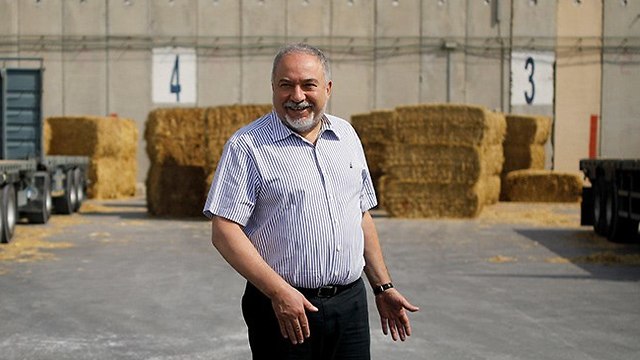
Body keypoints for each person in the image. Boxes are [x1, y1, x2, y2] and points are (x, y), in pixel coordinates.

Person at [203, 43, 418, 359]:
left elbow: (360, 216)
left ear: (328, 88)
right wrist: (279, 292)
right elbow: (224, 230)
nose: (297, 96)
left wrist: (383, 287)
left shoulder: (346, 136)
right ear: (274, 88)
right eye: (285, 85)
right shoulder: (247, 146)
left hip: (350, 306)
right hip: (283, 308)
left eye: (308, 85)